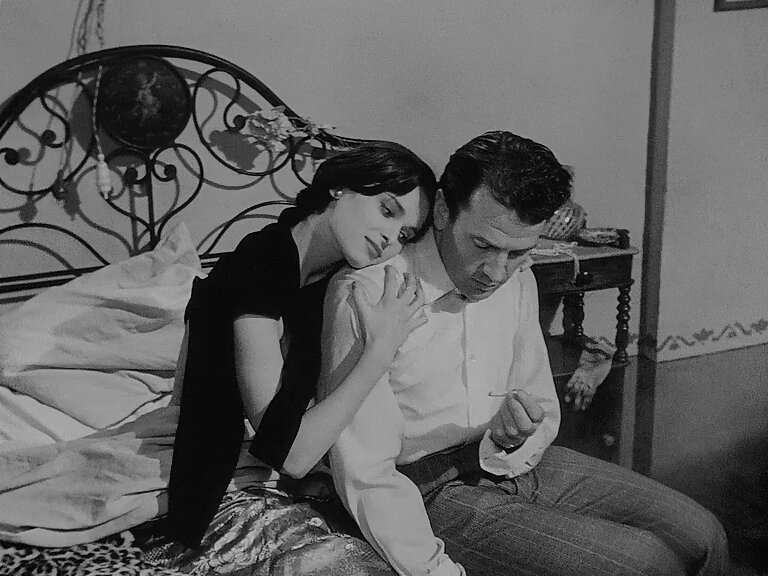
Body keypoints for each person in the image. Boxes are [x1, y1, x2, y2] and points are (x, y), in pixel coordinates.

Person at [319, 131, 729, 576]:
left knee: (703, 534)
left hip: (510, 460)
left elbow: (539, 406)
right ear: (441, 210)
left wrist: (511, 437)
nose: (496, 273)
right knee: (644, 563)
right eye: (482, 245)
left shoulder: (518, 279)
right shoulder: (367, 294)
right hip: (425, 490)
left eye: (518, 252)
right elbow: (366, 472)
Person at [165, 141, 437, 569]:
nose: (390, 238)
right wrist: (379, 352)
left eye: (404, 235)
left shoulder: (325, 280)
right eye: (387, 210)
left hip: (272, 475)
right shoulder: (260, 263)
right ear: (339, 187)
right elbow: (289, 452)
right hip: (207, 487)